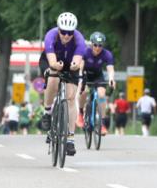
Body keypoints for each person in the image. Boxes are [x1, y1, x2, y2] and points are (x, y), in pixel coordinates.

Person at [39, 12, 86, 156]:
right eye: (63, 32)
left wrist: (74, 66)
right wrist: (55, 65)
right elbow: (52, 61)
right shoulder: (50, 36)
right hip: (51, 61)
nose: (66, 35)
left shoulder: (79, 40)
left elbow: (77, 61)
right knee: (53, 79)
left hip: (69, 64)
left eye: (69, 33)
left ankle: (70, 138)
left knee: (71, 98)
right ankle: (47, 112)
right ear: (58, 29)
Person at [78, 31, 116, 136]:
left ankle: (102, 123)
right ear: (91, 44)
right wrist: (80, 77)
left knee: (101, 95)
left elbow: (110, 69)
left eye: (100, 45)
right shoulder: (85, 52)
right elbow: (80, 66)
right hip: (85, 74)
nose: (97, 48)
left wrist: (111, 79)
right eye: (95, 45)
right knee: (84, 91)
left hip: (98, 76)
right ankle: (80, 113)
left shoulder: (107, 54)